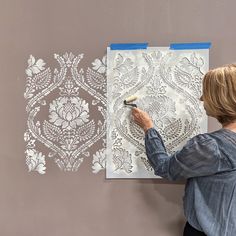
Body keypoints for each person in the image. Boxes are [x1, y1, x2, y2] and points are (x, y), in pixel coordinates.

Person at [132, 64, 236, 236]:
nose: (201, 98)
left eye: (207, 93)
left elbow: (165, 168)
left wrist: (148, 128)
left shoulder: (211, 146)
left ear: (220, 98)